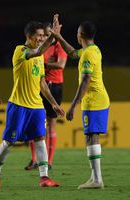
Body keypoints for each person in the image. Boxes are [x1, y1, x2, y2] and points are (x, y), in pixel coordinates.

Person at [0, 18, 65, 188]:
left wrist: (53, 103)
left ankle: (44, 177)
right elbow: (37, 52)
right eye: (38, 35)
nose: (41, 38)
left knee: (40, 138)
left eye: (43, 35)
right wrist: (53, 36)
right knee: (9, 142)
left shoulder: (39, 57)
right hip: (19, 105)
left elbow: (42, 83)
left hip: (37, 106)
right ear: (29, 36)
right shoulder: (20, 51)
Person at [50, 15, 109, 189]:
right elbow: (72, 53)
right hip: (97, 99)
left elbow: (85, 82)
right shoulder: (93, 49)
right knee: (91, 137)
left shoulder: (88, 55)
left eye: (76, 32)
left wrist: (73, 106)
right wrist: (57, 36)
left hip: (94, 101)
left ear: (80, 34)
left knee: (92, 137)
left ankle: (97, 179)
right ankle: (95, 177)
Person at [25, 22, 67, 171]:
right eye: (45, 34)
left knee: (51, 124)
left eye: (50, 34)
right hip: (39, 85)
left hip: (55, 86)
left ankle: (49, 161)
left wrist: (45, 64)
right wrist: (48, 63)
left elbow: (61, 65)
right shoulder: (40, 48)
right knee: (35, 122)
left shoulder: (59, 47)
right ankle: (34, 160)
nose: (47, 37)